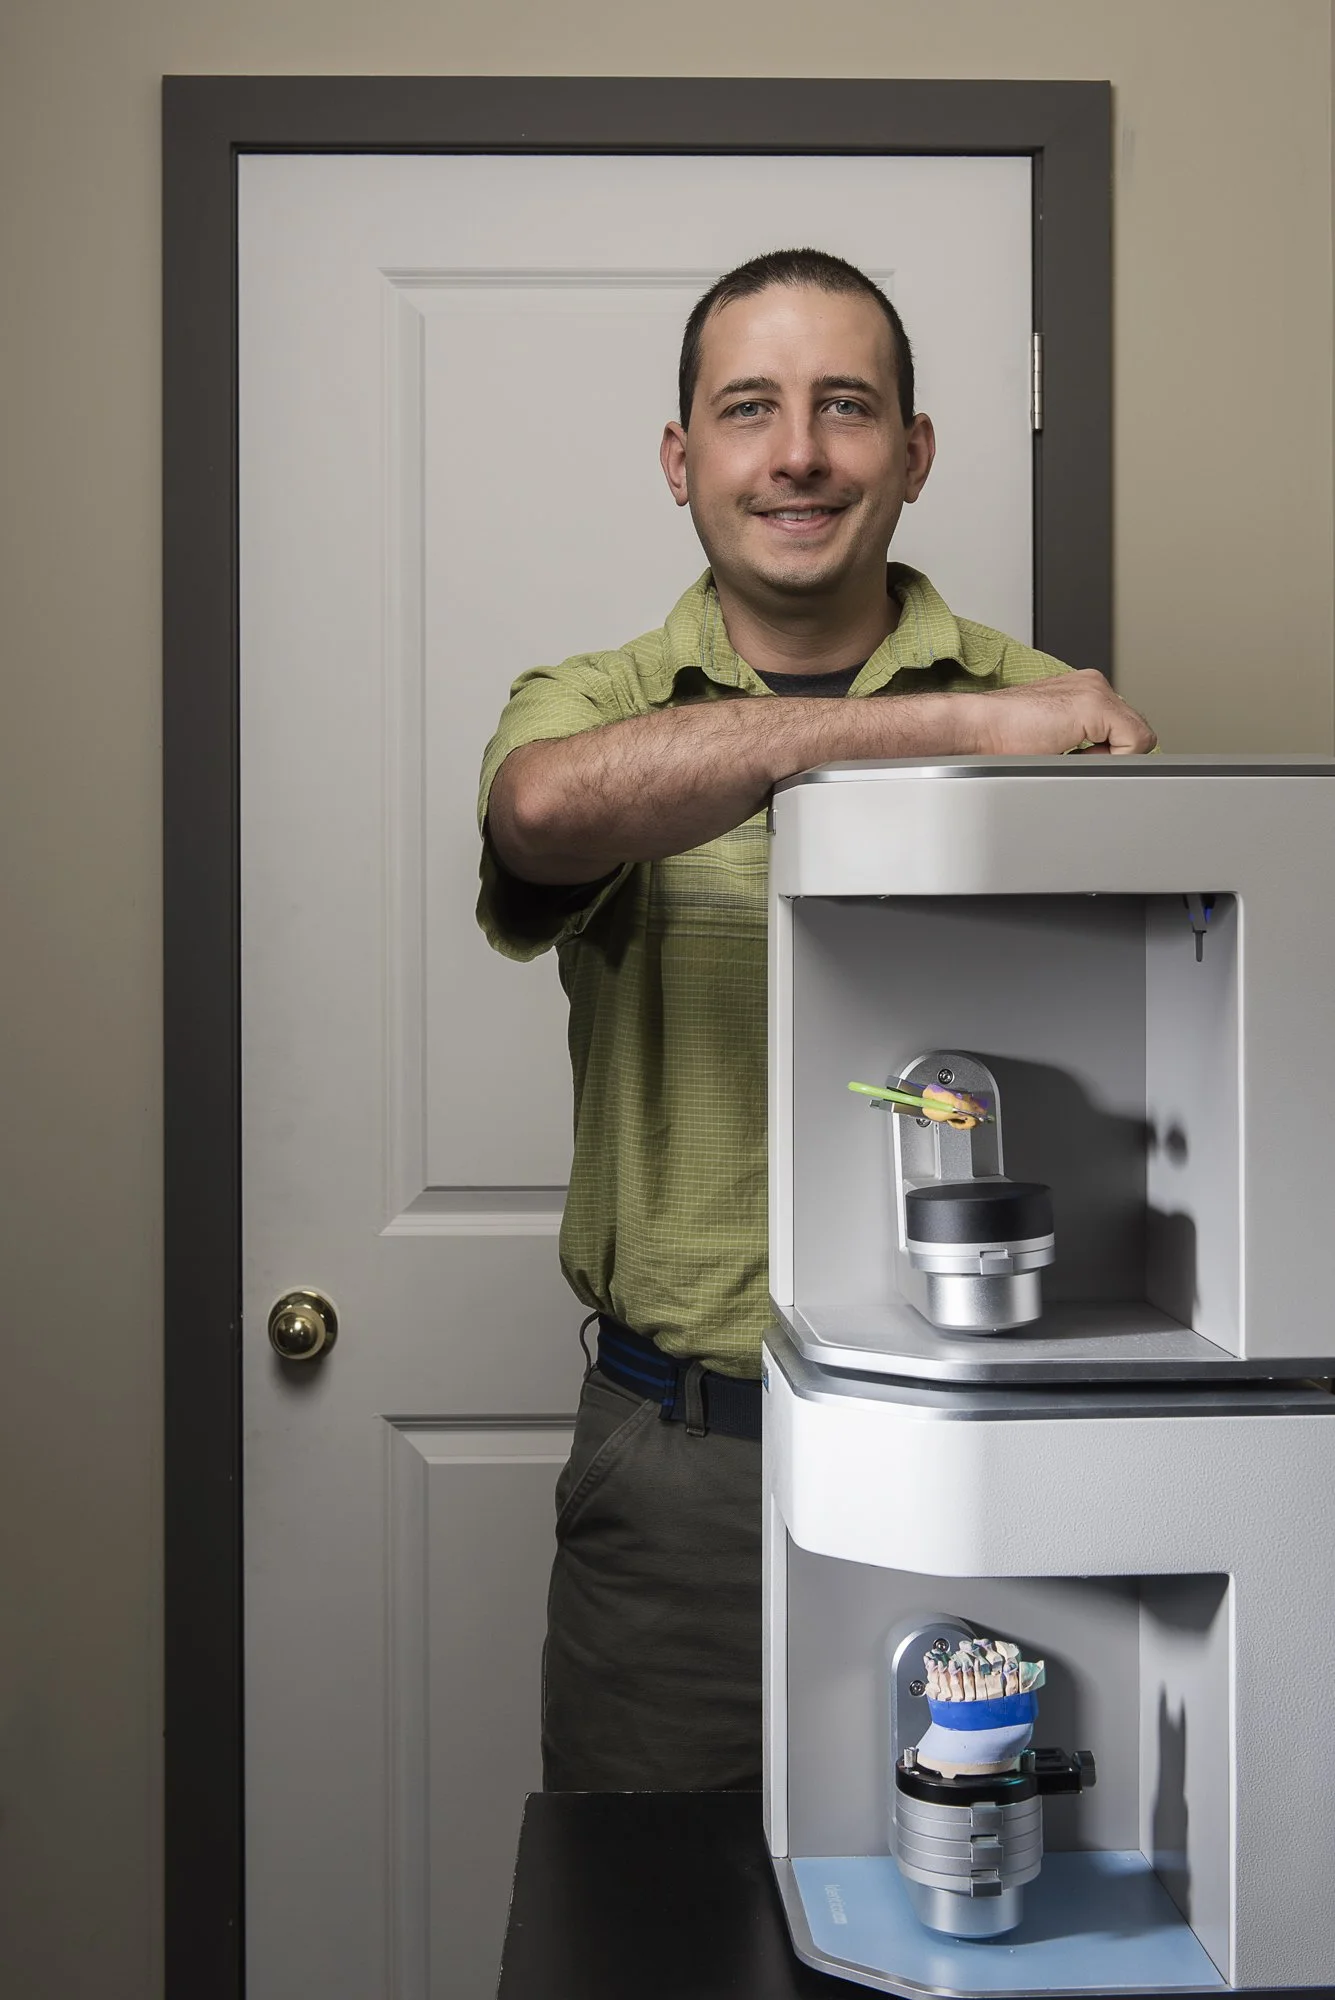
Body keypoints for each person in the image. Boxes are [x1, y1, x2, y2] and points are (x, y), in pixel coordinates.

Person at [476, 248, 1155, 1795]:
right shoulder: (594, 704)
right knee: (657, 1936)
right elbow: (540, 813)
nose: (797, 452)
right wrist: (950, 729)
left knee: (984, 1903)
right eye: (747, 409)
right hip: (682, 1488)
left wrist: (1005, 715)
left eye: (845, 406)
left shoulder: (1063, 712)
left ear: (913, 453)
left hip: (991, 1455)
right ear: (681, 461)